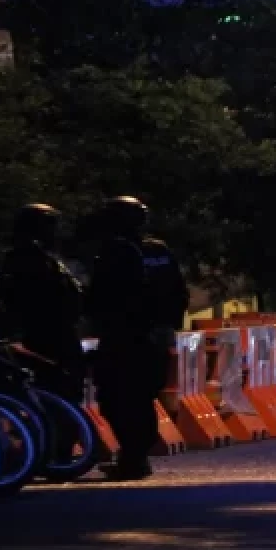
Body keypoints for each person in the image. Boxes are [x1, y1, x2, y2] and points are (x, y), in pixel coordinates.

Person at [86, 196, 189, 481]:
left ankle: (134, 456)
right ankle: (136, 456)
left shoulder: (115, 252)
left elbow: (103, 296)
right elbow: (179, 291)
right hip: (157, 335)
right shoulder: (158, 250)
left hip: (126, 336)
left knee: (116, 397)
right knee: (142, 396)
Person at [0, 204, 85, 404]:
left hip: (59, 335)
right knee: (55, 393)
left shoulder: (46, 258)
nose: (55, 232)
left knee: (68, 392)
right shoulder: (25, 259)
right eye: (50, 225)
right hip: (44, 337)